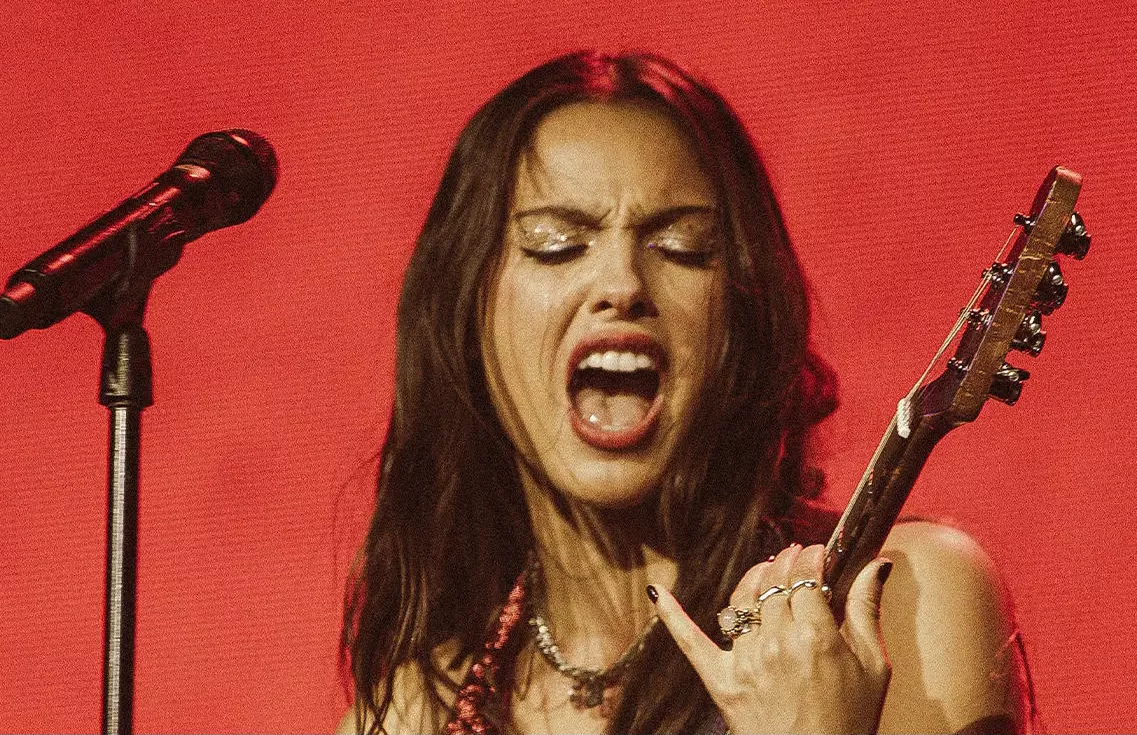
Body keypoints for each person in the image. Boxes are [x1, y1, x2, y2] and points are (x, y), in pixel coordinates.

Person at [339, 51, 1031, 735]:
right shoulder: (412, 715)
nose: (623, 284)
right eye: (555, 243)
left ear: (741, 310)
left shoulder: (897, 603)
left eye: (682, 245)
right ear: (467, 313)